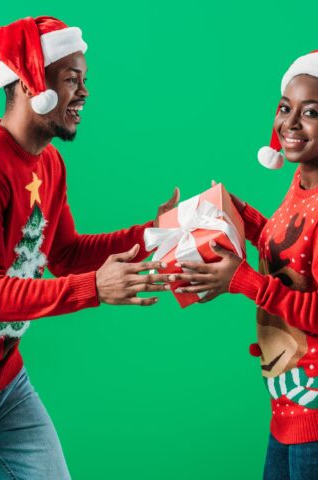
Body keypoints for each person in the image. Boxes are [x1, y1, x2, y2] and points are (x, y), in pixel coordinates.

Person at [0, 16, 178, 479]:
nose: (85, 93)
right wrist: (94, 289)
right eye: (71, 79)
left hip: (3, 386)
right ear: (30, 82)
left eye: (84, 80)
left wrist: (150, 234)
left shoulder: (50, 163)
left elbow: (65, 254)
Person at [168, 50, 318, 479]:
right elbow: (288, 249)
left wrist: (242, 280)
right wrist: (239, 214)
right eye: (285, 108)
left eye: (310, 112)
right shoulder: (303, 181)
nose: (289, 123)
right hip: (287, 405)